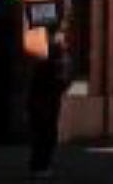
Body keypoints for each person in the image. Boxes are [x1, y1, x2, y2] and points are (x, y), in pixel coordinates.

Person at [27, 27, 73, 179]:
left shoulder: (46, 55)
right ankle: (42, 165)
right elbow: (63, 79)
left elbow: (36, 80)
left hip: (42, 100)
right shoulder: (57, 56)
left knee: (41, 134)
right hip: (47, 100)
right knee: (47, 134)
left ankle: (38, 165)